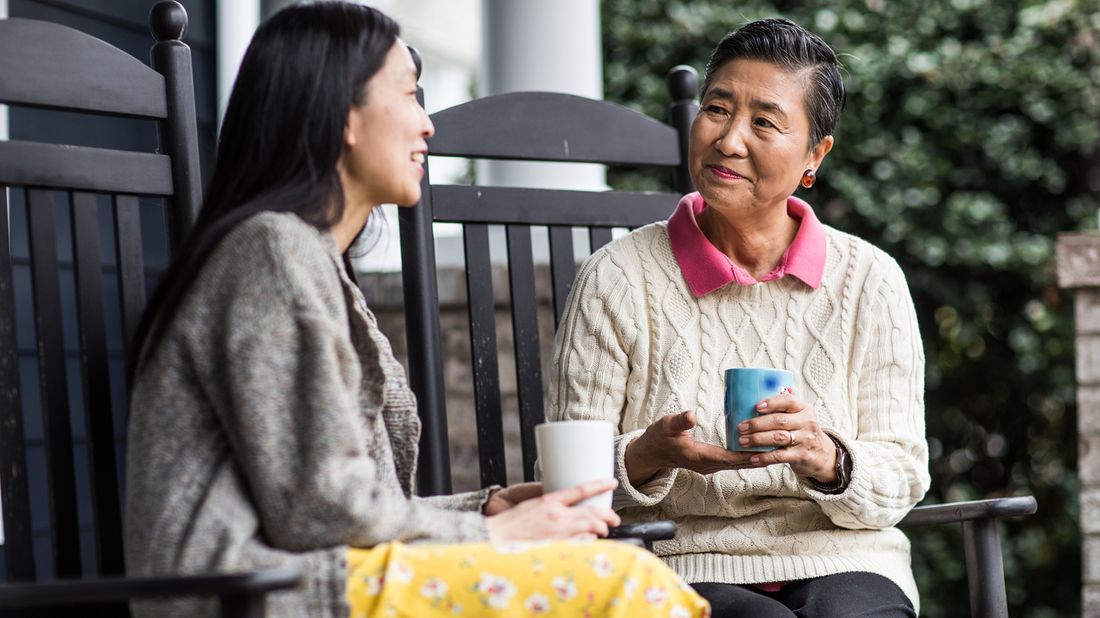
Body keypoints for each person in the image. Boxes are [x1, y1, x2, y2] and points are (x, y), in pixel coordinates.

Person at [123, 3, 709, 617]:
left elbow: (337, 508)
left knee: (618, 574)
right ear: (342, 115)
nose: (427, 125)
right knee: (622, 585)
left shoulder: (308, 257)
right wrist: (494, 537)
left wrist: (483, 509)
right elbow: (318, 511)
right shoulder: (272, 253)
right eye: (408, 95)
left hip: (314, 580)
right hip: (257, 598)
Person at [548, 17, 929, 618]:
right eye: (718, 109)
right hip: (673, 561)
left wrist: (827, 457)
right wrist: (649, 454)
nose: (729, 140)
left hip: (844, 560)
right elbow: (567, 481)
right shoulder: (617, 277)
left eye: (765, 123)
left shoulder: (870, 281)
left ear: (814, 154)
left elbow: (903, 471)